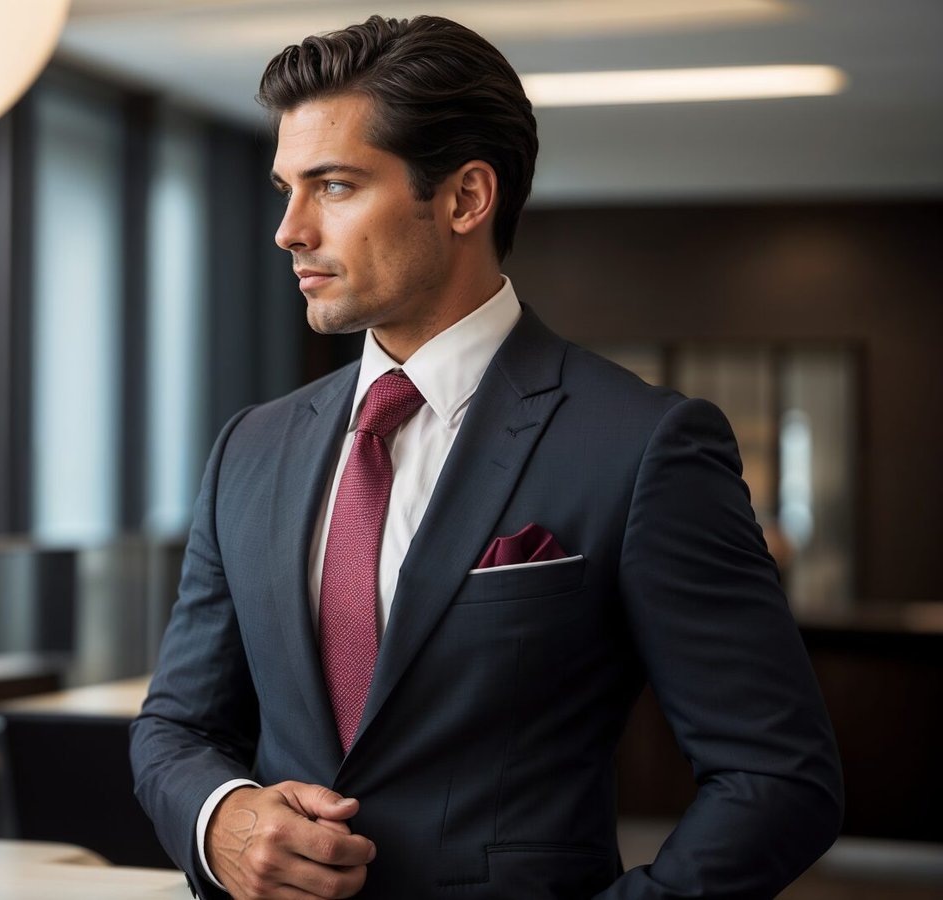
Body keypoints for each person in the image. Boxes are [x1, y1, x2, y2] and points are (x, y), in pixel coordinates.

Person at [129, 14, 842, 900]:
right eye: (286, 189)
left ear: (466, 198)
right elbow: (175, 727)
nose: (289, 230)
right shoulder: (252, 448)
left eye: (335, 186)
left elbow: (778, 780)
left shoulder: (644, 443)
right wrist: (221, 819)